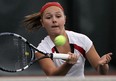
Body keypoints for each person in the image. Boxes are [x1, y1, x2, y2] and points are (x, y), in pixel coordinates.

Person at [23, 2, 112, 78]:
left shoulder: (82, 40)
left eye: (58, 16)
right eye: (48, 17)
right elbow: (53, 76)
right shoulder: (42, 49)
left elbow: (102, 72)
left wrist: (102, 65)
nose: (54, 20)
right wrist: (68, 64)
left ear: (64, 19)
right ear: (42, 23)